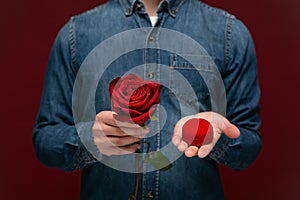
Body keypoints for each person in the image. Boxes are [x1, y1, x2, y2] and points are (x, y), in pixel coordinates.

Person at [33, 0, 262, 199]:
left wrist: (217, 137)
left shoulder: (229, 34)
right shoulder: (75, 35)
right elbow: (46, 140)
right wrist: (88, 140)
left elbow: (249, 145)